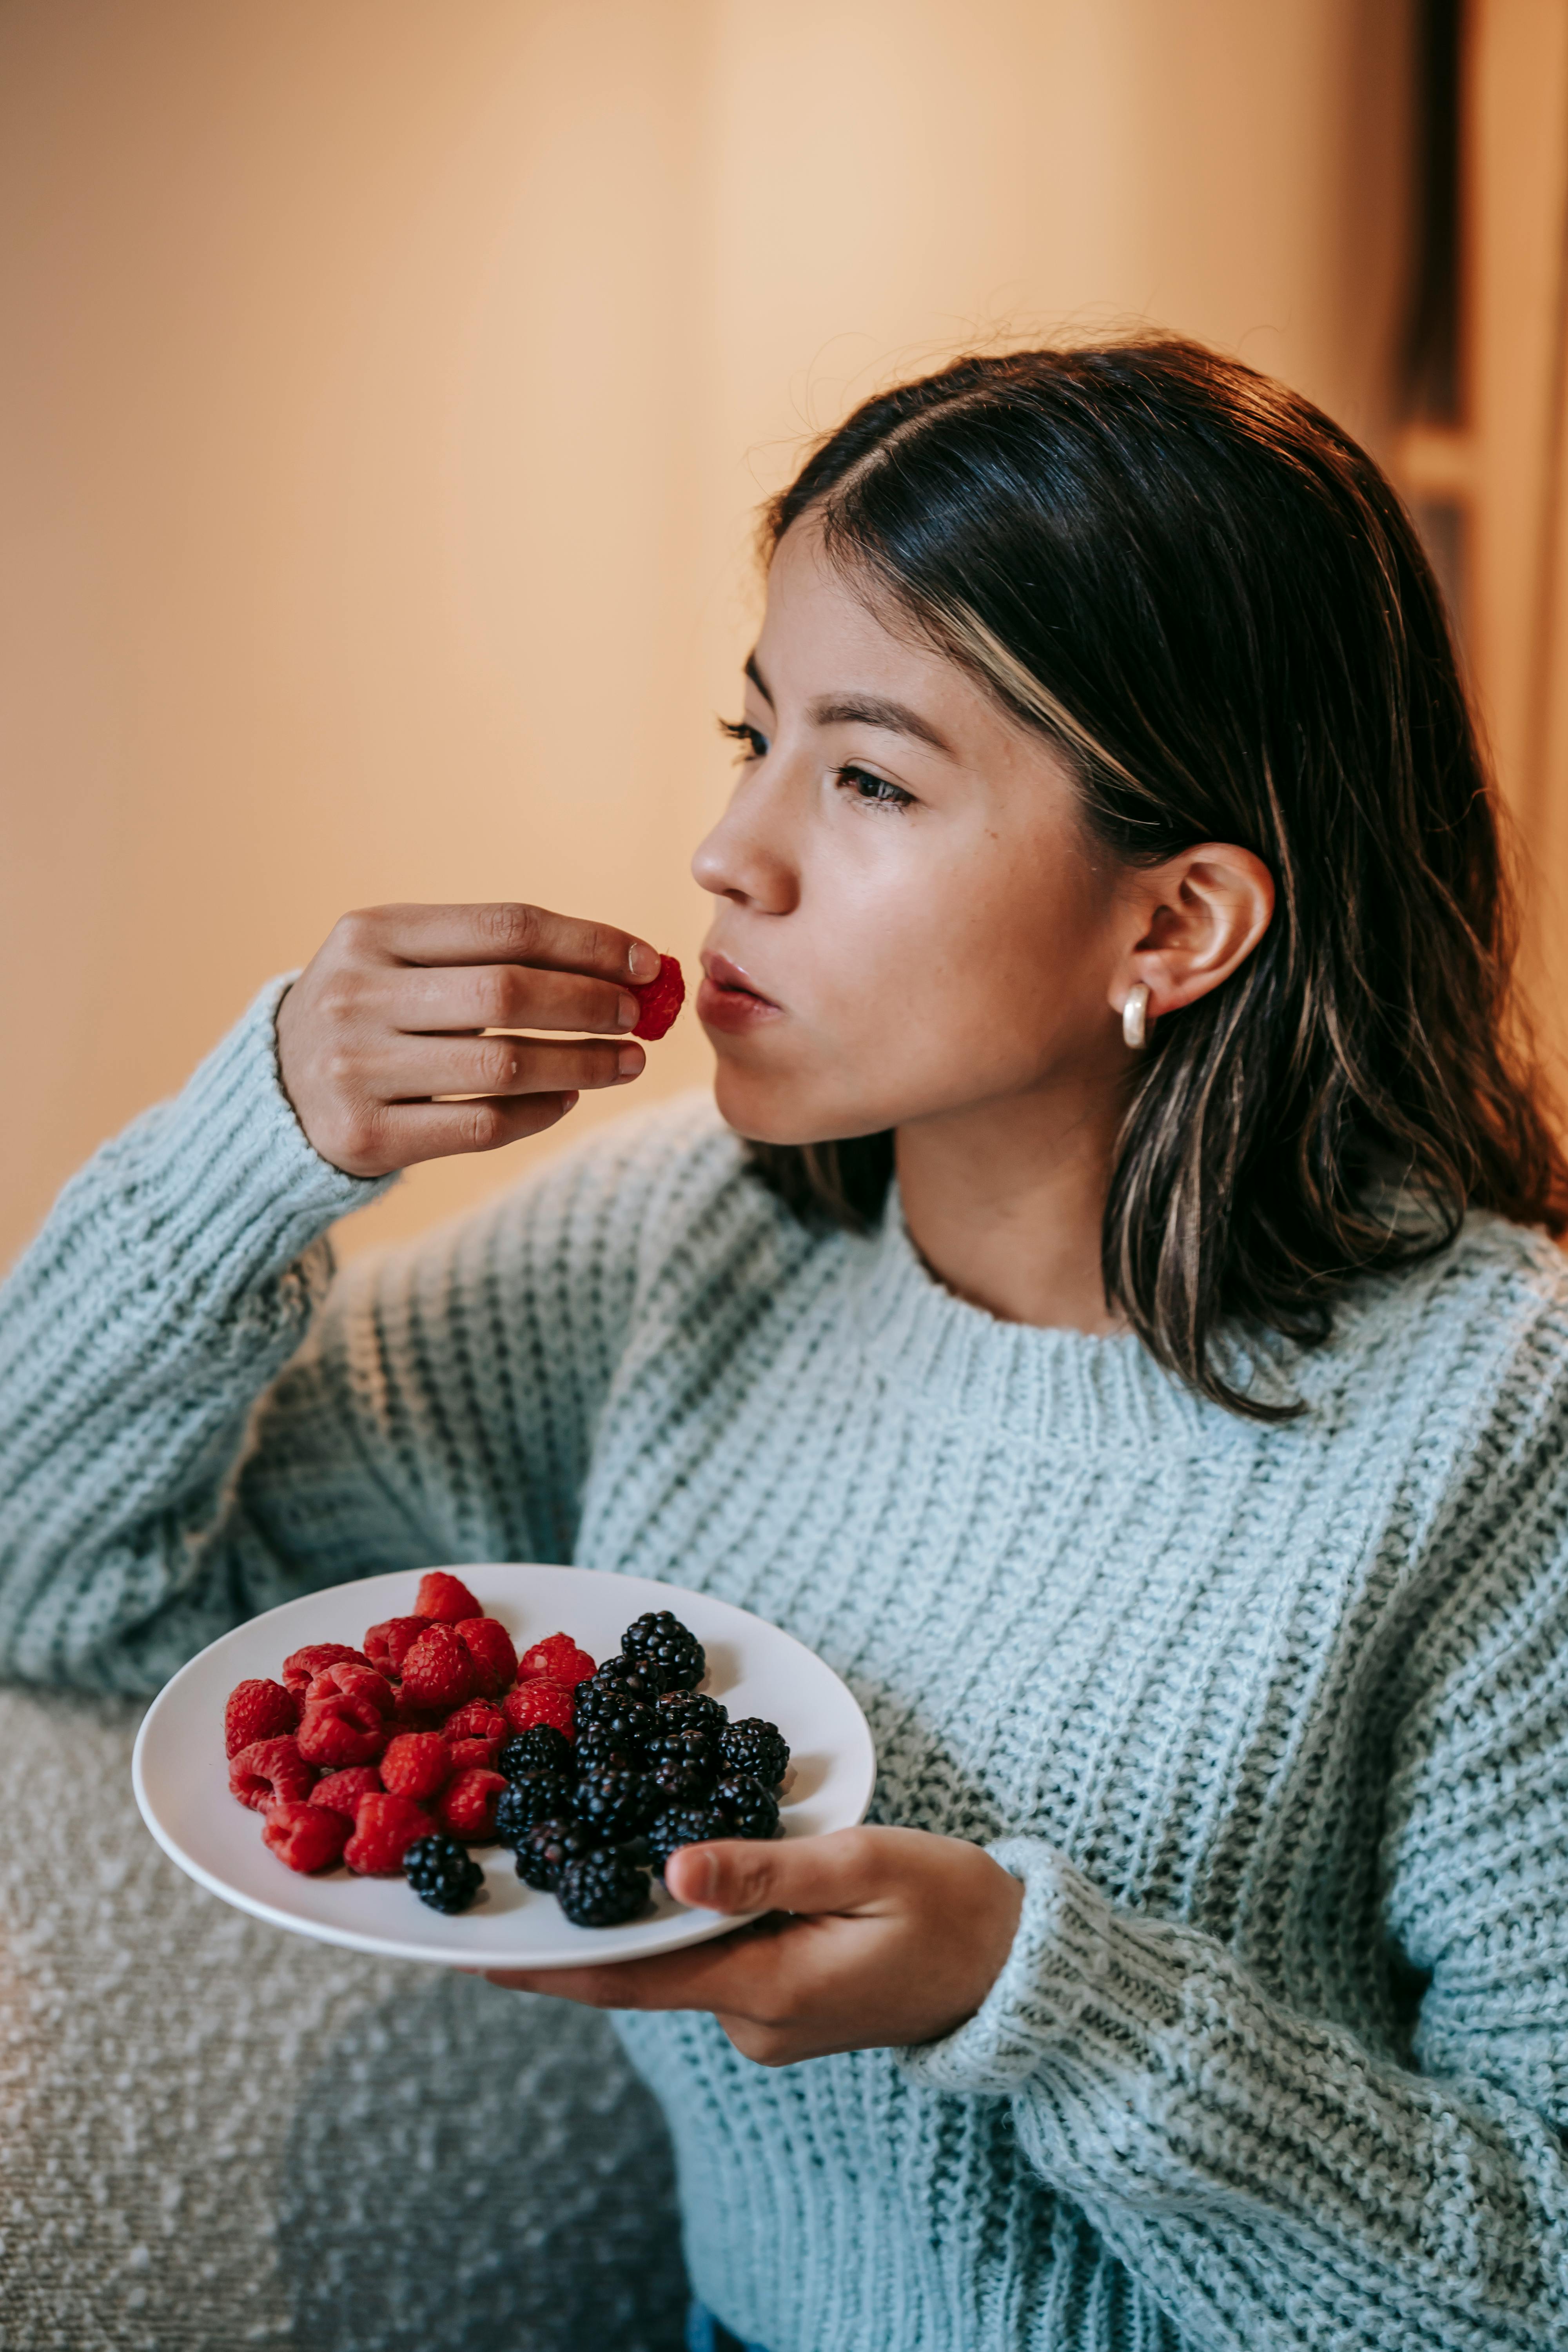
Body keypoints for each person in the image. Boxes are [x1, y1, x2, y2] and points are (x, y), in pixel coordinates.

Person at [3, 338, 1566, 2352]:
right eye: (751, 737)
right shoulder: (676, 1248)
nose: (732, 855)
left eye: (870, 776)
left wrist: (1032, 1998)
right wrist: (256, 1147)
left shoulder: (1494, 1416)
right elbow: (59, 1586)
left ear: (1175, 927)